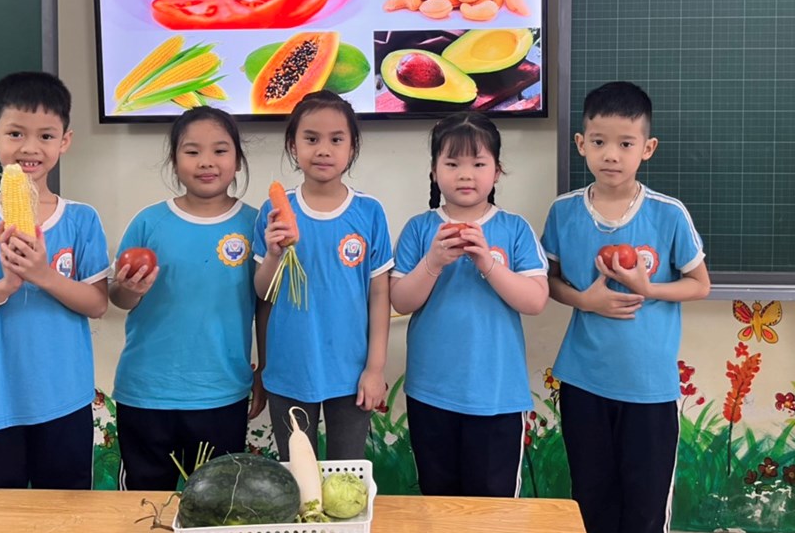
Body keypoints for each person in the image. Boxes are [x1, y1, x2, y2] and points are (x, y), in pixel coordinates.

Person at [542, 81, 711, 533]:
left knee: (644, 511)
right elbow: (547, 280)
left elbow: (700, 284)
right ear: (581, 144)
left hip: (648, 388)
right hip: (584, 382)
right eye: (598, 142)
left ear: (647, 149)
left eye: (625, 144)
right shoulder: (563, 212)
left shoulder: (668, 214)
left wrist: (649, 289)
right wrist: (585, 301)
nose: (611, 155)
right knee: (591, 502)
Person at [0, 71, 110, 500]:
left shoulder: (82, 220)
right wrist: (5, 286)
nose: (30, 148)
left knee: (66, 515)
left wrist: (42, 274)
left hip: (63, 399)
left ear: (64, 141)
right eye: (15, 133)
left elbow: (97, 304)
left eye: (46, 136)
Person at [109, 106, 269, 489]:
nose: (206, 162)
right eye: (192, 151)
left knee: (216, 504)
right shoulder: (149, 222)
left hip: (221, 393)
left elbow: (265, 304)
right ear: (175, 161)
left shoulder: (255, 223)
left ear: (238, 160)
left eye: (220, 150)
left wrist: (265, 368)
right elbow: (117, 297)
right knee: (144, 506)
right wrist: (128, 289)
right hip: (146, 394)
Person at [390, 112, 549, 497]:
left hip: (497, 397)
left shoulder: (514, 228)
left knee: (492, 512)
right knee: (438, 504)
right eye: (452, 164)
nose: (465, 175)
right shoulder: (419, 229)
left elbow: (535, 300)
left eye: (478, 164)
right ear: (434, 172)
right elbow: (400, 300)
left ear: (497, 172)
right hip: (430, 393)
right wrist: (433, 262)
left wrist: (487, 263)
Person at [253, 90, 392, 461]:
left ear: (352, 147)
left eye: (336, 140)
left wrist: (375, 368)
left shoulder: (369, 211)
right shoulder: (274, 210)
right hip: (289, 370)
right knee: (297, 477)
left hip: (352, 374)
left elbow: (380, 295)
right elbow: (263, 293)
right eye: (311, 139)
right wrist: (273, 253)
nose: (323, 150)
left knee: (347, 475)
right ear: (293, 145)